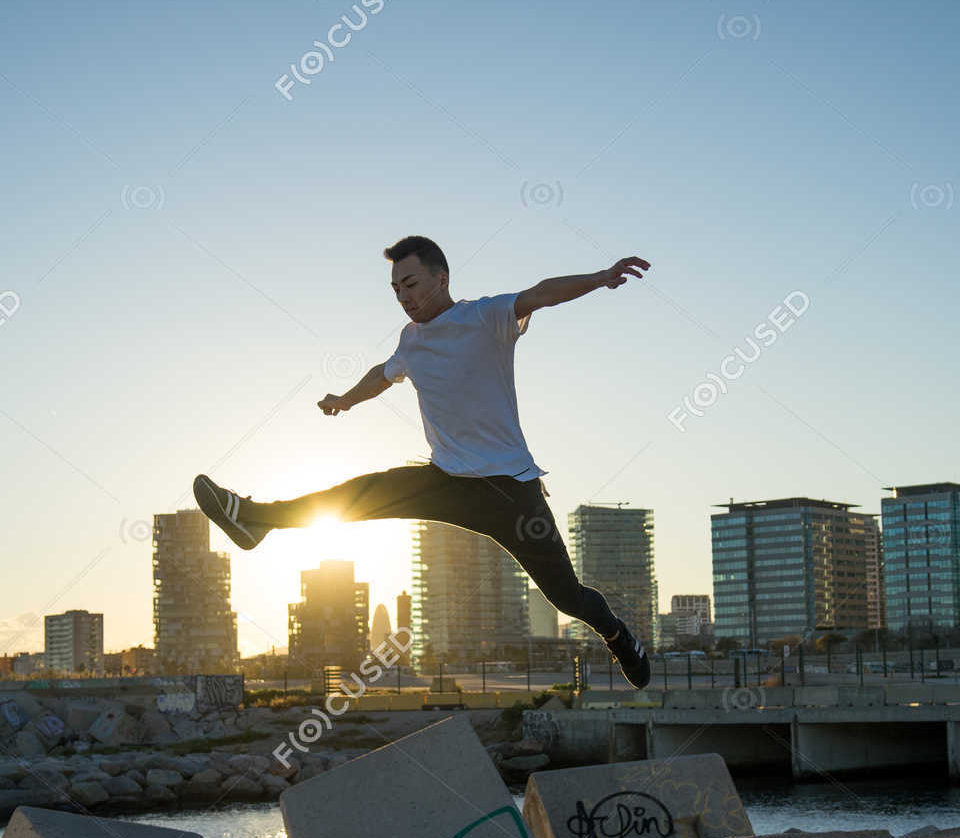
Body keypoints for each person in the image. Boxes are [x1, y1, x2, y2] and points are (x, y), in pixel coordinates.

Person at [193, 235, 652, 688]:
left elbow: (541, 294)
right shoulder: (410, 340)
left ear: (441, 278)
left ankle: (617, 635)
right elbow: (384, 373)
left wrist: (601, 277)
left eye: (410, 284)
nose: (403, 297)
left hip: (509, 492)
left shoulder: (484, 316)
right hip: (446, 481)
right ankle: (254, 520)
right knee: (357, 494)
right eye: (396, 290)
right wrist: (347, 400)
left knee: (567, 597)